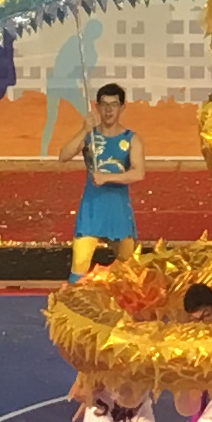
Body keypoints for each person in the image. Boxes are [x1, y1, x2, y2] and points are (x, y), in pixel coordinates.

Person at [69, 83, 138, 281]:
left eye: (114, 104)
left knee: (128, 271)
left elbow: (138, 173)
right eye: (104, 105)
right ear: (97, 107)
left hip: (118, 210)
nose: (109, 110)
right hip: (91, 210)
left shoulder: (131, 139)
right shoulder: (90, 136)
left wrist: (106, 177)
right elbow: (63, 155)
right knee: (79, 268)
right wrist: (83, 130)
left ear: (122, 108)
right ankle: (73, 299)